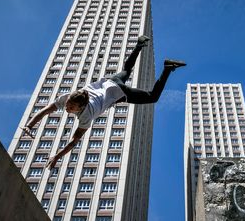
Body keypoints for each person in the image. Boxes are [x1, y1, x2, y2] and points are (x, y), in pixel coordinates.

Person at [21, 35, 185, 169]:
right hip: (110, 82)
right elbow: (45, 110)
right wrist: (29, 125)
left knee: (152, 97)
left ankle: (167, 68)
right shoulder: (68, 97)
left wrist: (57, 156)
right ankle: (139, 45)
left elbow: (74, 141)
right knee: (126, 70)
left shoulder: (86, 114)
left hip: (118, 91)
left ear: (81, 106)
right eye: (68, 105)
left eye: (71, 107)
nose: (67, 108)